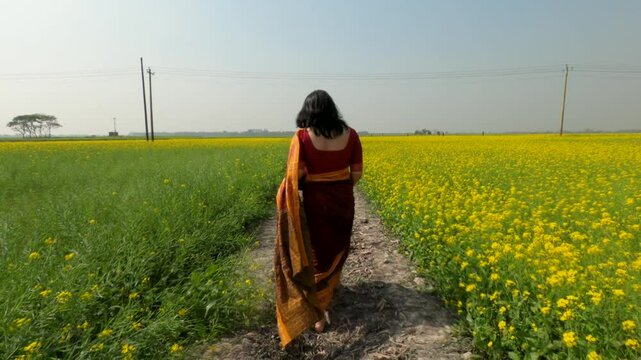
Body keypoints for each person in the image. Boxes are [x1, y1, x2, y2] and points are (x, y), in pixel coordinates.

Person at [274, 90, 363, 349]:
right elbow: (356, 174)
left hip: (316, 202)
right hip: (343, 200)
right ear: (332, 110)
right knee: (338, 247)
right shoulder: (352, 135)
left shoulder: (302, 137)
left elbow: (298, 175)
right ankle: (330, 293)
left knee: (317, 252)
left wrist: (311, 181)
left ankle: (320, 313)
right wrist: (337, 180)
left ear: (309, 111)